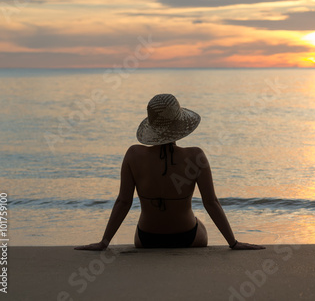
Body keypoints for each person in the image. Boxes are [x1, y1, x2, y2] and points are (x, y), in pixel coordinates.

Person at [75, 94, 265, 251]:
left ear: (151, 126)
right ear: (180, 124)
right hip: (187, 237)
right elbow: (211, 202)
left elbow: (123, 202)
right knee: (200, 222)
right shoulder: (195, 156)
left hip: (146, 239)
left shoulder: (133, 155)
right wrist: (233, 243)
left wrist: (104, 242)